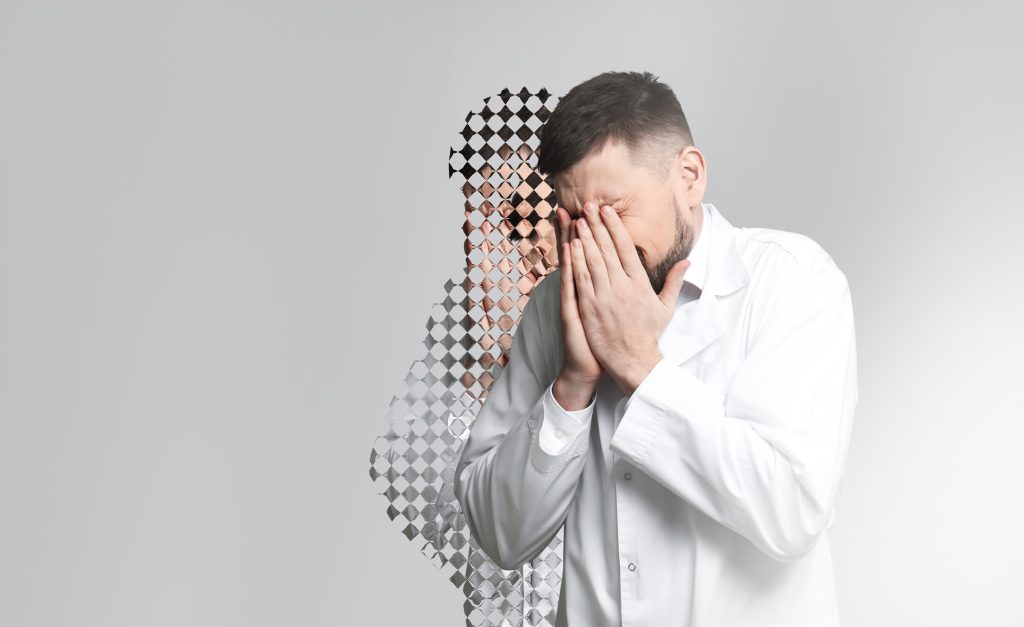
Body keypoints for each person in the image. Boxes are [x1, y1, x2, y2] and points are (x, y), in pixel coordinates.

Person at [454, 71, 859, 627]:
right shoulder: (553, 305)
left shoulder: (789, 280)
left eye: (614, 211)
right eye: (573, 221)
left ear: (688, 176)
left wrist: (639, 364)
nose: (593, 244)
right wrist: (571, 386)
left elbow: (792, 512)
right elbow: (500, 533)